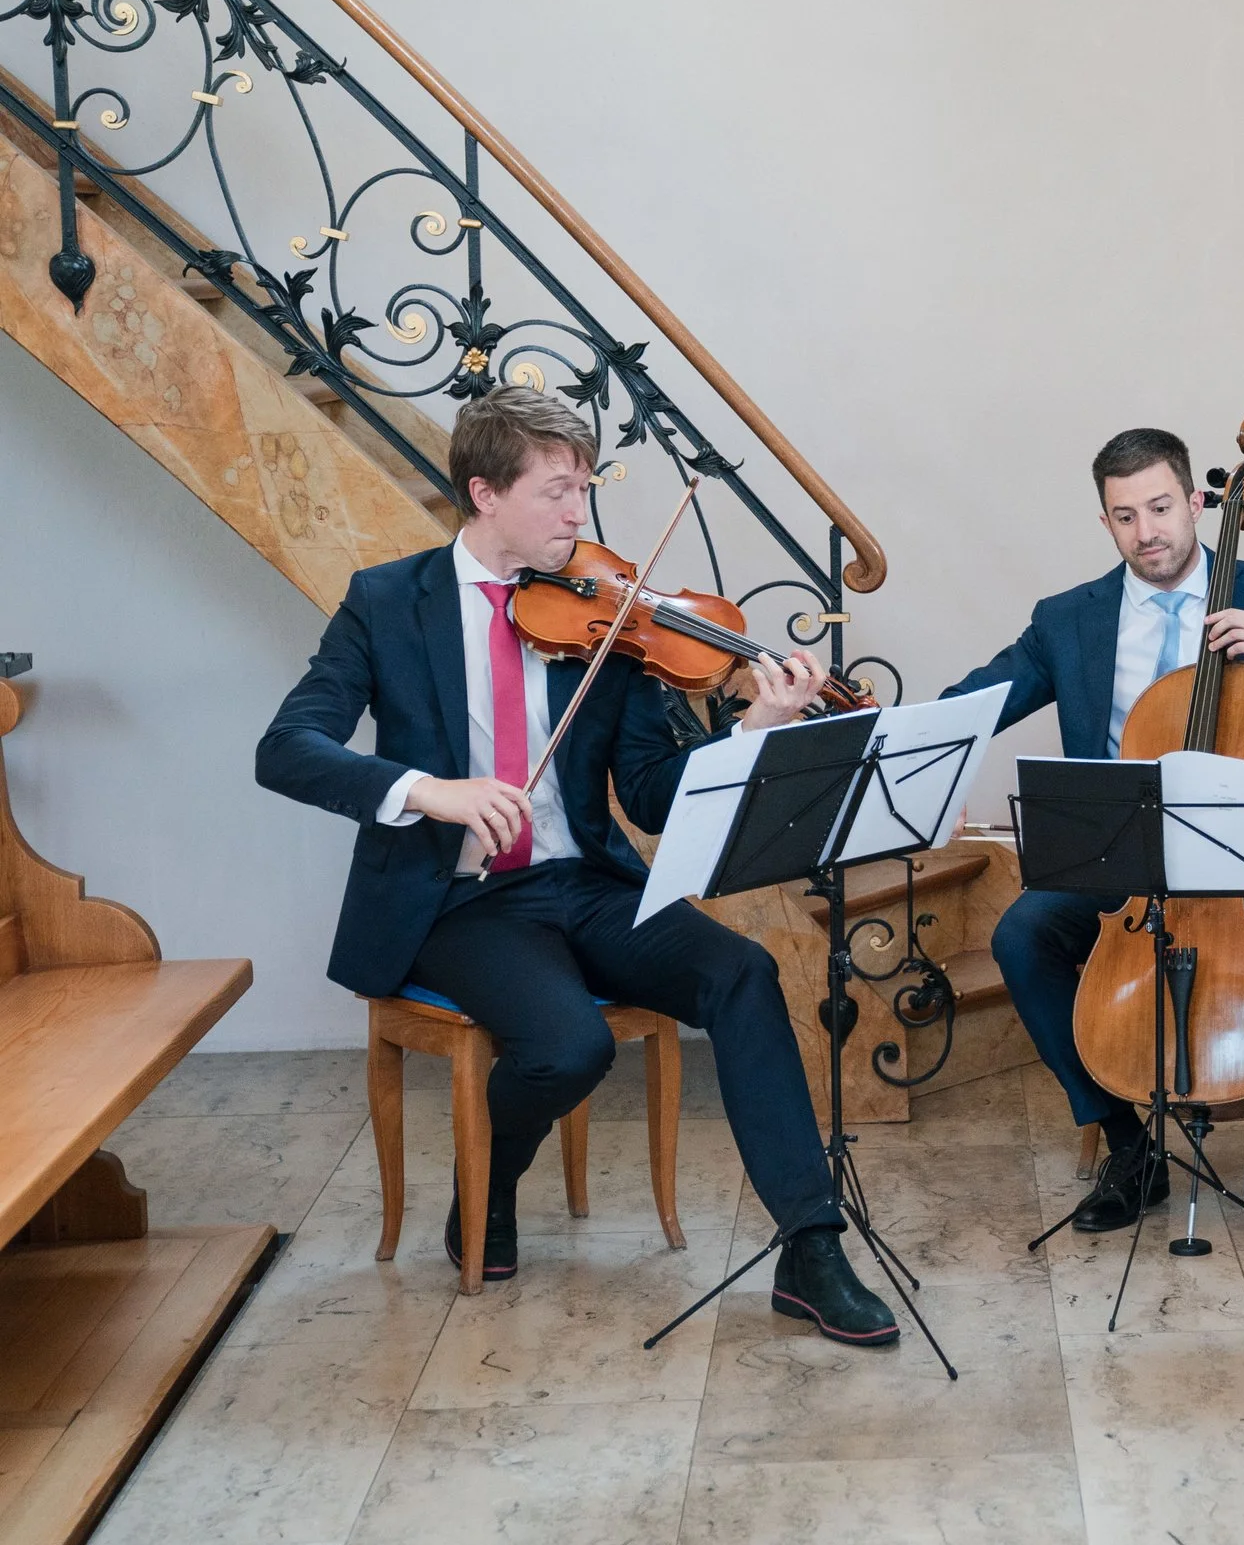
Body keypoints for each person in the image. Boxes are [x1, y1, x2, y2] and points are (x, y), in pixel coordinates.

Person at [257, 385, 898, 1346]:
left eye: (584, 490)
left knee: (744, 973)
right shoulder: (389, 602)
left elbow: (646, 793)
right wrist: (430, 790)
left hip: (584, 881)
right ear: (484, 492)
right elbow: (288, 747)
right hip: (463, 899)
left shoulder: (606, 614)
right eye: (558, 492)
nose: (579, 516)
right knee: (571, 1047)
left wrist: (754, 724)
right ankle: (492, 1177)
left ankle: (810, 1249)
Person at [943, 427, 1244, 1231]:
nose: (1146, 531)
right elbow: (978, 701)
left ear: (1196, 502)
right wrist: (892, 734)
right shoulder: (1068, 620)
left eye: (1160, 507)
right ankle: (1129, 1145)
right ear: (1105, 523)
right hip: (1126, 851)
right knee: (1023, 935)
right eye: (1125, 516)